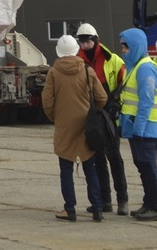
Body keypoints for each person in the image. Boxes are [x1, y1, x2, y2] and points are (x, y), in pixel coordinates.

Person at [42, 35, 109, 222]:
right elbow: (102, 98)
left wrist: (56, 117)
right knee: (90, 169)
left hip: (64, 127)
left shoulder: (54, 73)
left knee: (66, 169)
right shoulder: (88, 71)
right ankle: (97, 209)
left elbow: (47, 101)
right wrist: (92, 113)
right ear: (75, 50)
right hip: (87, 126)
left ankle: (69, 208)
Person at [76, 23, 129, 215]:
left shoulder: (113, 60)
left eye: (88, 41)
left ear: (96, 40)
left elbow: (125, 85)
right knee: (98, 160)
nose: (85, 45)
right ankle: (105, 200)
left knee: (115, 159)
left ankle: (122, 200)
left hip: (110, 117)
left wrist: (118, 106)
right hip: (91, 118)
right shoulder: (78, 62)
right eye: (82, 41)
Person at [118, 28, 157, 221]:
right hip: (138, 129)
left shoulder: (145, 68)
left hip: (146, 128)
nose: (123, 51)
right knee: (143, 166)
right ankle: (149, 203)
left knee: (148, 166)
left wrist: (138, 128)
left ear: (135, 46)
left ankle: (155, 206)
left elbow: (146, 100)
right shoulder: (136, 67)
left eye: (125, 47)